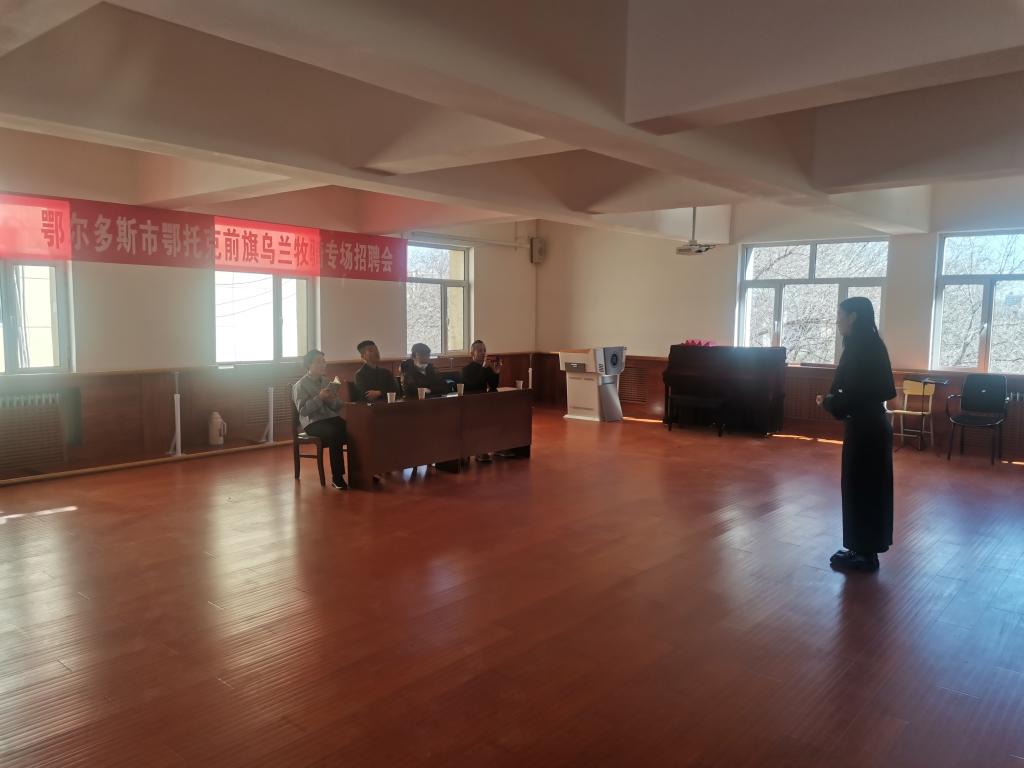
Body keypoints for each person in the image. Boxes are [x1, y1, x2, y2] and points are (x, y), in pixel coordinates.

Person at [817, 297, 896, 572]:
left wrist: (828, 402)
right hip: (869, 426)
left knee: (863, 490)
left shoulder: (862, 348)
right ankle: (861, 548)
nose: (837, 321)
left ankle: (865, 554)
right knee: (863, 489)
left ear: (853, 317)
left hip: (866, 429)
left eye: (840, 315)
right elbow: (871, 390)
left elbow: (856, 394)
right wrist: (834, 401)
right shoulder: (870, 344)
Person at [292, 349, 348, 490]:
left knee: (355, 430)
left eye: (324, 361)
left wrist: (333, 400)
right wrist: (320, 398)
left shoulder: (326, 381)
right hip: (313, 423)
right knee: (335, 433)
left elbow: (337, 407)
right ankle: (337, 477)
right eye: (319, 362)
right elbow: (303, 411)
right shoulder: (300, 385)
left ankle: (361, 473)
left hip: (331, 418)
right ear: (309, 365)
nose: (323, 365)